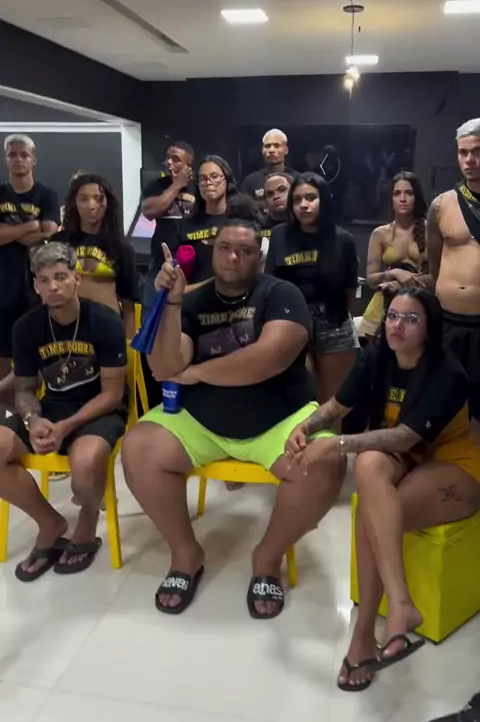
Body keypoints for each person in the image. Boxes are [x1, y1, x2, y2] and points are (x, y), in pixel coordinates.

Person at [121, 217, 346, 618]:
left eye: (245, 250)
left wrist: (196, 373)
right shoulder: (192, 301)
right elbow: (164, 365)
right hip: (201, 421)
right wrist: (171, 303)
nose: (233, 257)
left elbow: (267, 358)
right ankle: (186, 553)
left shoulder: (282, 294)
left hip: (279, 419)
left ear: (259, 256)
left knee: (327, 462)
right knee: (138, 448)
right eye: (225, 248)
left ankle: (267, 558)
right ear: (213, 250)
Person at [285, 288, 480, 691]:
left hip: (452, 465)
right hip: (404, 459)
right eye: (392, 316)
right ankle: (399, 606)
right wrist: (304, 427)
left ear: (429, 329)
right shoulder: (375, 358)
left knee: (371, 514)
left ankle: (363, 635)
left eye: (411, 319)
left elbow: (406, 437)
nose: (397, 325)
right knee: (370, 465)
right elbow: (336, 407)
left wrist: (336, 445)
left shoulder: (448, 372)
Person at [0, 242, 127, 579]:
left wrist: (66, 426)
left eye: (60, 277)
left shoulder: (105, 321)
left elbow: (113, 394)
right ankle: (50, 523)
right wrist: (33, 419)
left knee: (84, 464)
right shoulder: (26, 327)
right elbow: (25, 389)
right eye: (44, 280)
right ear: (36, 286)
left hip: (99, 410)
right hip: (52, 407)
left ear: (76, 278)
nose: (53, 286)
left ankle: (87, 521)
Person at [265, 172, 359, 404]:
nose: (303, 205)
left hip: (333, 322)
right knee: (300, 400)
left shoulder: (343, 239)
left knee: (333, 402)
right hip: (292, 322)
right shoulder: (279, 235)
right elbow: (270, 284)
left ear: (323, 200)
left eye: (310, 198)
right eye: (297, 200)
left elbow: (350, 288)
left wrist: (339, 316)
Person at [427, 118, 480, 445]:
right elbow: (434, 261)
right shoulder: (441, 205)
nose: (469, 160)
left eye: (477, 151)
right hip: (449, 321)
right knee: (442, 398)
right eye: (463, 152)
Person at [0, 135, 60, 412]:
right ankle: (5, 418)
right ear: (6, 159)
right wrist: (29, 227)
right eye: (12, 154)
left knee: (36, 356)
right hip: (3, 287)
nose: (18, 159)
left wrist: (10, 233)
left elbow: (49, 234)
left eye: (23, 154)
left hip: (36, 287)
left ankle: (31, 415)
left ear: (33, 158)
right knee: (2, 355)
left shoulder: (46, 195)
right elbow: (38, 230)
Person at [50, 173, 137, 339]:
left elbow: (128, 304)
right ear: (74, 202)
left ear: (107, 203)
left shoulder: (122, 248)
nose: (92, 205)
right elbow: (46, 292)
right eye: (84, 199)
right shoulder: (58, 242)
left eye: (98, 198)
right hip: (65, 329)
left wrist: (128, 344)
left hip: (108, 328)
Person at [360, 171, 428, 341]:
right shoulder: (380, 234)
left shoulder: (430, 231)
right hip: (383, 305)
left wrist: (401, 284)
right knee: (379, 354)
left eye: (409, 193)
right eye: (397, 193)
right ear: (391, 198)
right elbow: (370, 279)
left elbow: (437, 277)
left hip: (419, 303)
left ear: (417, 197)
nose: (402, 199)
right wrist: (395, 273)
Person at [141, 142, 195, 313]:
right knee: (151, 314)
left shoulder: (199, 188)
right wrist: (176, 185)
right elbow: (149, 211)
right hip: (160, 263)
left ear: (188, 166)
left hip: (193, 267)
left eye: (176, 159)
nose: (169, 162)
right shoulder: (156, 186)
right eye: (168, 158)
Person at [177, 155, 241, 287]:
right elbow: (179, 282)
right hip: (194, 296)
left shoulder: (240, 221)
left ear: (226, 180)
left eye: (214, 176)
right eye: (202, 178)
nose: (208, 182)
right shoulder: (187, 224)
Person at [241, 129, 297, 203]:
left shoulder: (297, 179)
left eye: (276, 146)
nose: (271, 150)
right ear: (262, 150)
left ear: (286, 150)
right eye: (267, 146)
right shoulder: (250, 182)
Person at [261, 172, 294, 238]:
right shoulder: (264, 229)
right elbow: (265, 245)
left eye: (282, 190)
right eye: (270, 194)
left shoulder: (306, 222)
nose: (276, 196)